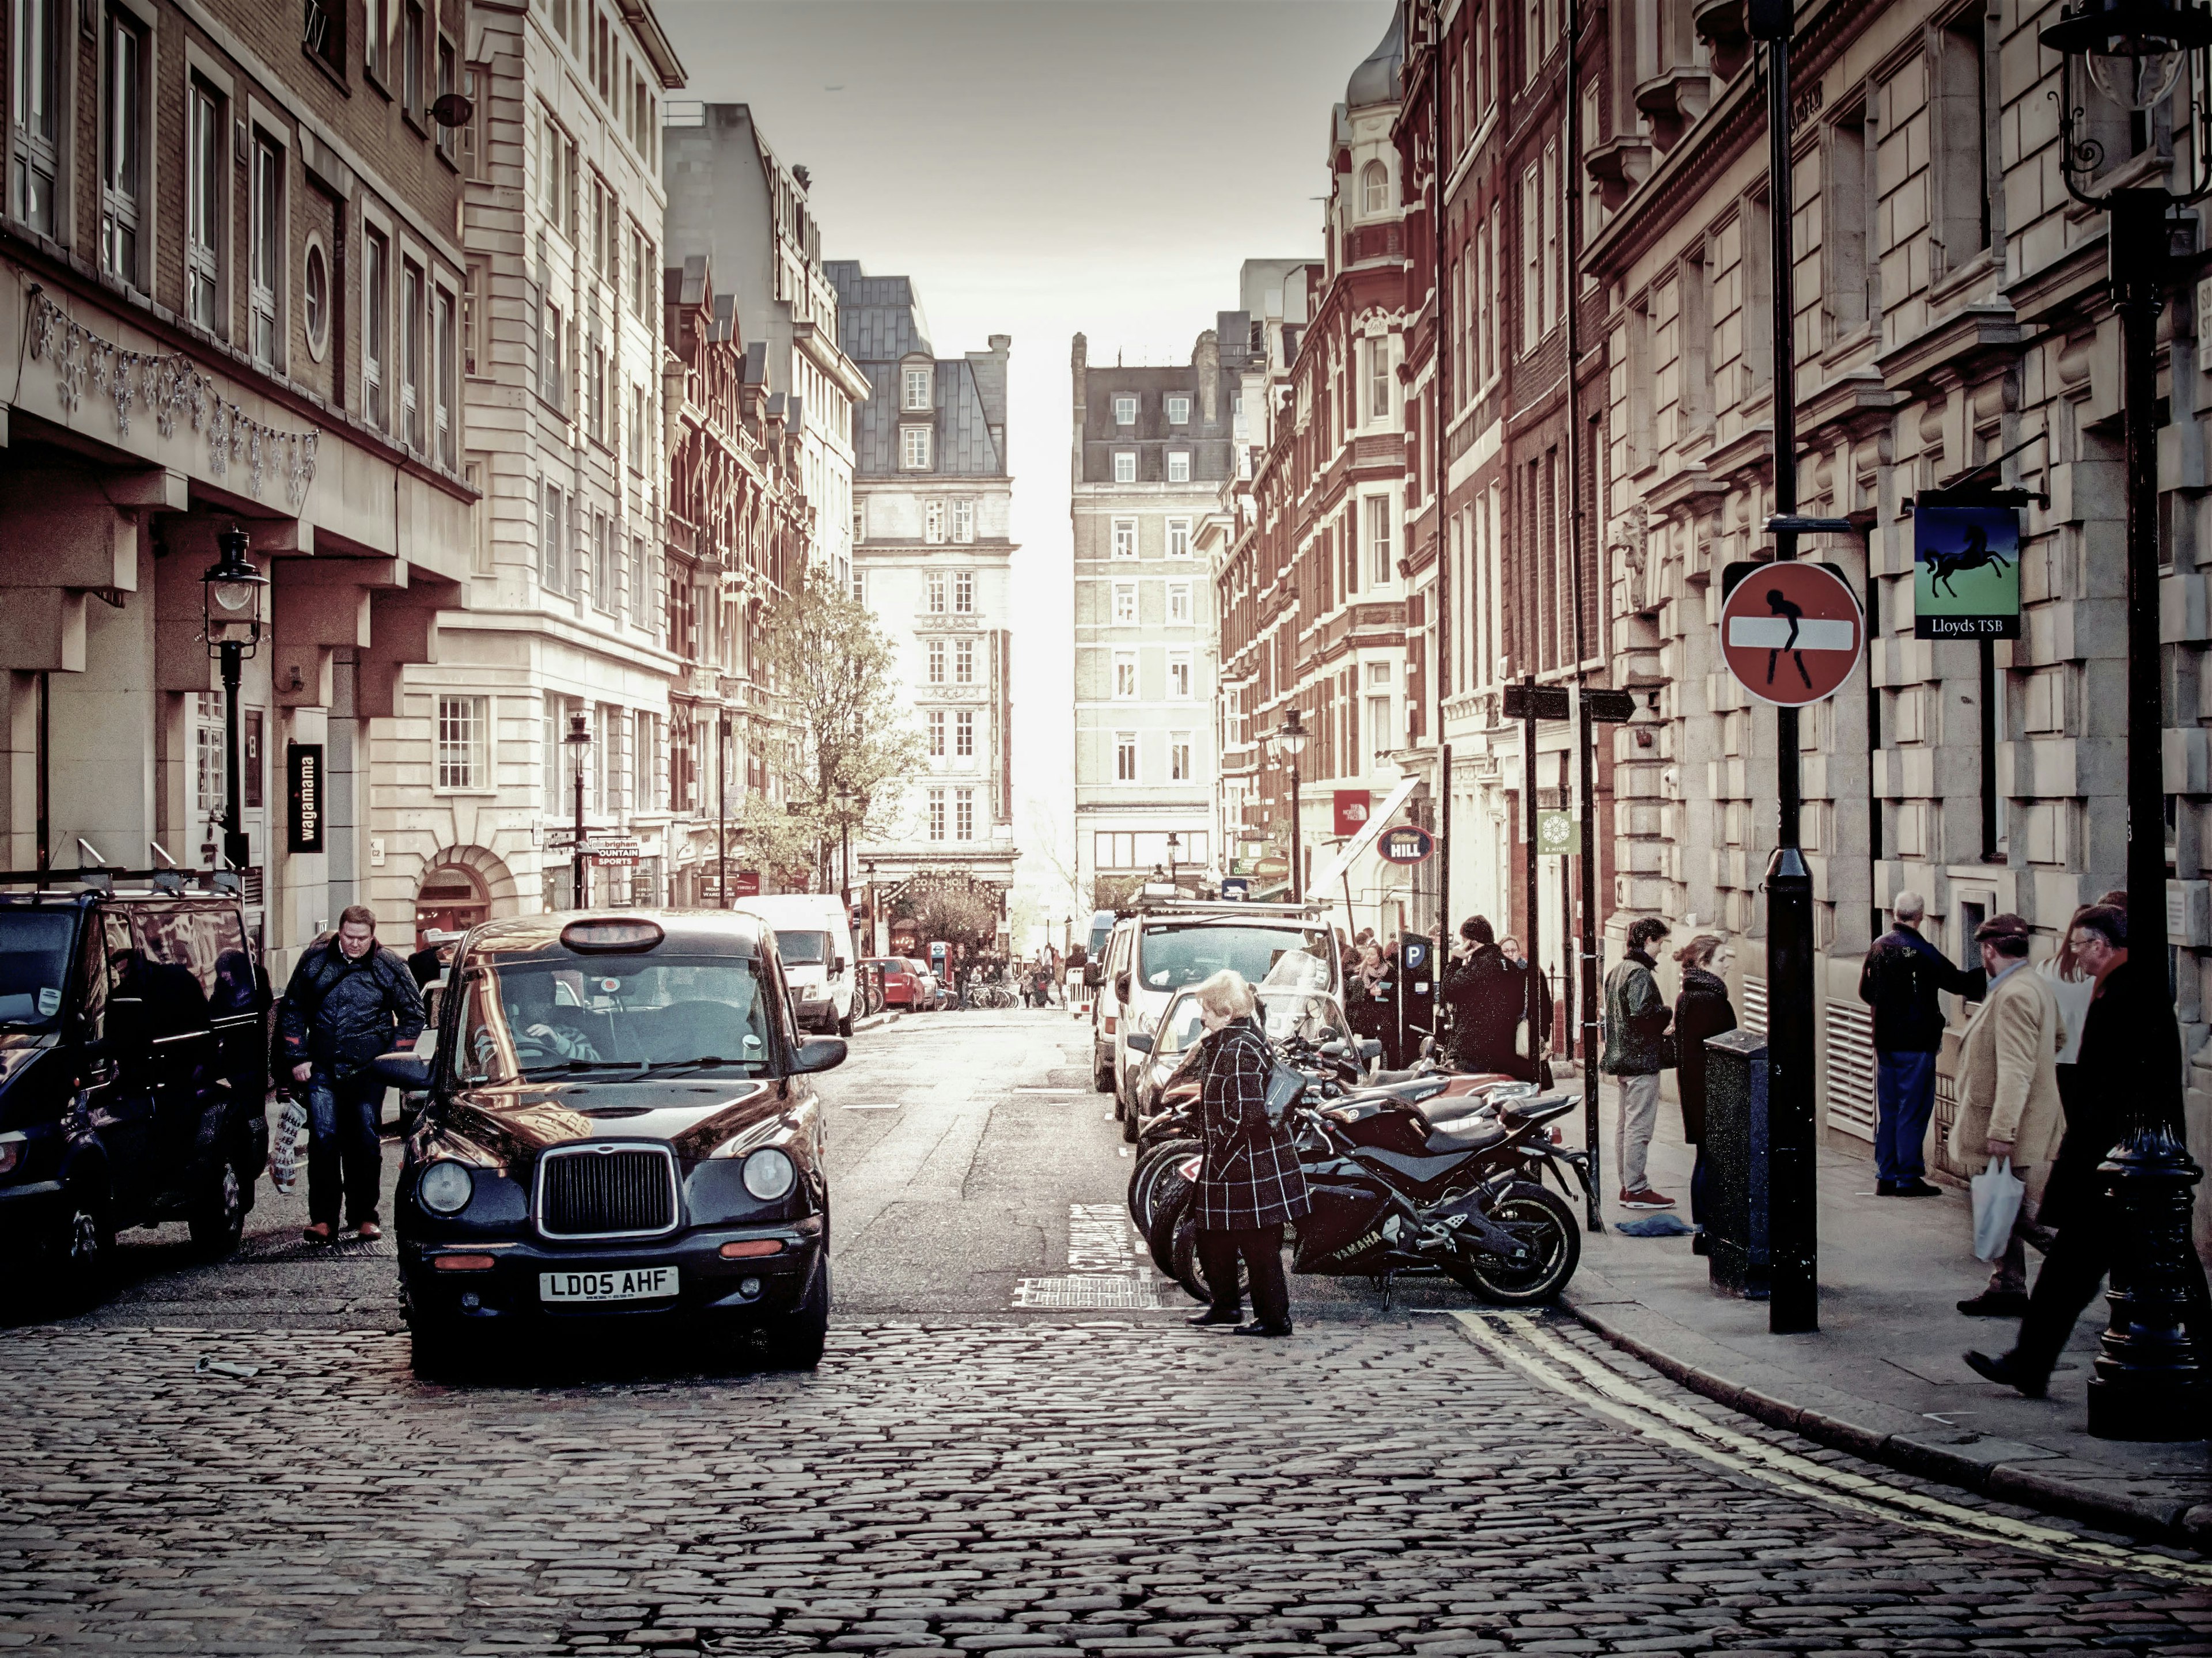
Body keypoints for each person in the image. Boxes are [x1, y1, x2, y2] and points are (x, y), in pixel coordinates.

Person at [1967, 905, 2193, 1392]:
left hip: (2120, 1161)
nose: (2075, 956)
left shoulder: (2126, 990)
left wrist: (2081, 1155)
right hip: (2126, 1159)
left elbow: (2107, 1089)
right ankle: (2029, 1363)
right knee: (2085, 1268)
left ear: (2100, 944)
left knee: (2142, 1269)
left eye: (2077, 945)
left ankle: (2030, 1362)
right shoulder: (2125, 984)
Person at [276, 905, 426, 1245]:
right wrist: (298, 1057)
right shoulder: (314, 961)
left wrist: (393, 1057)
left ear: (372, 936)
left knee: (365, 1143)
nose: (355, 944)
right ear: (339, 933)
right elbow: (292, 1009)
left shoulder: (390, 965)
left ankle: (365, 1216)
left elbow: (414, 1014)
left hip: (368, 1071)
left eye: (362, 938)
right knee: (324, 1141)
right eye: (349, 937)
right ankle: (323, 1219)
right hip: (323, 1068)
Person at [1949, 913, 2066, 1318]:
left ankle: (2084, 1259)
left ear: (1988, 949)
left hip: (2009, 1122)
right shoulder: (2032, 984)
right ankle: (2008, 1284)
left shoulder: (2014, 994)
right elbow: (2059, 1037)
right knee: (2000, 1202)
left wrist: (2003, 1127)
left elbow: (2016, 1066)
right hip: (2022, 1117)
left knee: (2014, 1208)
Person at [1188, 968, 1309, 1338]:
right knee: (1213, 1234)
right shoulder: (1234, 1039)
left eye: (1206, 1009)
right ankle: (1226, 1305)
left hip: (1244, 1161)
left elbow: (1247, 1113)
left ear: (1226, 1012)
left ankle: (1274, 1319)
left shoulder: (1238, 1046)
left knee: (1259, 1246)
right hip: (1238, 1158)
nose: (1202, 1016)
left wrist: (1224, 1149)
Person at [1859, 890, 1985, 1197]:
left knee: (1889, 1110)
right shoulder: (1921, 950)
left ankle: (1886, 1175)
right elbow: (1958, 982)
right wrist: (1990, 968)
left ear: (1894, 914)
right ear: (1920, 917)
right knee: (1913, 1110)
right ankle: (1908, 1177)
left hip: (1885, 1041)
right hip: (1916, 1043)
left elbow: (1865, 992)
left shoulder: (1879, 946)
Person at [1601, 915, 1675, 1211]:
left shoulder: (1618, 970)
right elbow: (1643, 1015)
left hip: (1623, 1059)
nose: (1661, 950)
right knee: (1638, 1127)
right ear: (1647, 941)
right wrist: (1667, 1013)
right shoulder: (1640, 974)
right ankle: (1636, 1188)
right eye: (1659, 943)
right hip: (1640, 1061)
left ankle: (1628, 1185)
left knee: (1625, 1125)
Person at [1672, 934, 1737, 1250]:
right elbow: (1722, 1050)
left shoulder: (1691, 996)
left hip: (1700, 1091)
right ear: (1703, 961)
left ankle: (1704, 1230)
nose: (1728, 966)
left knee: (1706, 1158)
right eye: (1722, 959)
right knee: (1712, 1161)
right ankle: (1707, 1231)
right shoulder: (1707, 999)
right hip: (1711, 1092)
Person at [1347, 942, 1395, 1065]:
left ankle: (1384, 1067)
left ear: (1379, 956)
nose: (1369, 957)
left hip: (1384, 1012)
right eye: (1367, 954)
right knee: (1367, 1043)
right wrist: (1370, 994)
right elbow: (1356, 993)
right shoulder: (1361, 971)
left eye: (1372, 954)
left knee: (1384, 1042)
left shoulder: (1389, 970)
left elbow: (1395, 990)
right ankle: (1366, 1070)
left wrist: (1383, 992)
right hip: (1367, 1013)